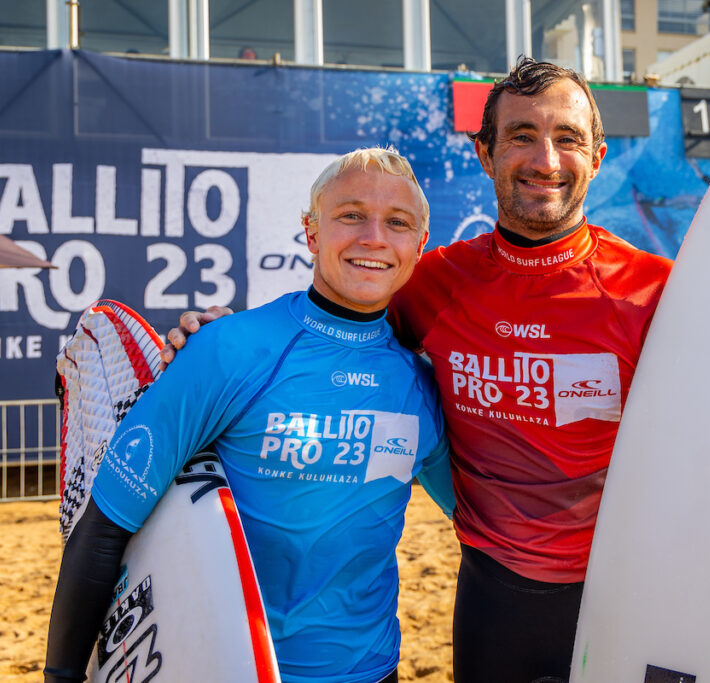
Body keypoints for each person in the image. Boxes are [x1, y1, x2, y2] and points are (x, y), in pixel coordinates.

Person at [162, 58, 710, 682]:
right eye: (520, 135)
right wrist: (209, 336)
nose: (543, 158)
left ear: (594, 156)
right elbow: (324, 323)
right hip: (492, 594)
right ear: (485, 152)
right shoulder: (433, 284)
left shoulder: (660, 296)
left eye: (566, 138)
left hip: (636, 586)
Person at [44, 147, 455, 683]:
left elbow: (482, 525)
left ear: (419, 246)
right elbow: (104, 527)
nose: (373, 236)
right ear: (311, 233)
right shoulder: (227, 350)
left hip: (374, 671)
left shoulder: (420, 386)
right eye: (351, 215)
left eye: (396, 223)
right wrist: (61, 675)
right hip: (229, 669)